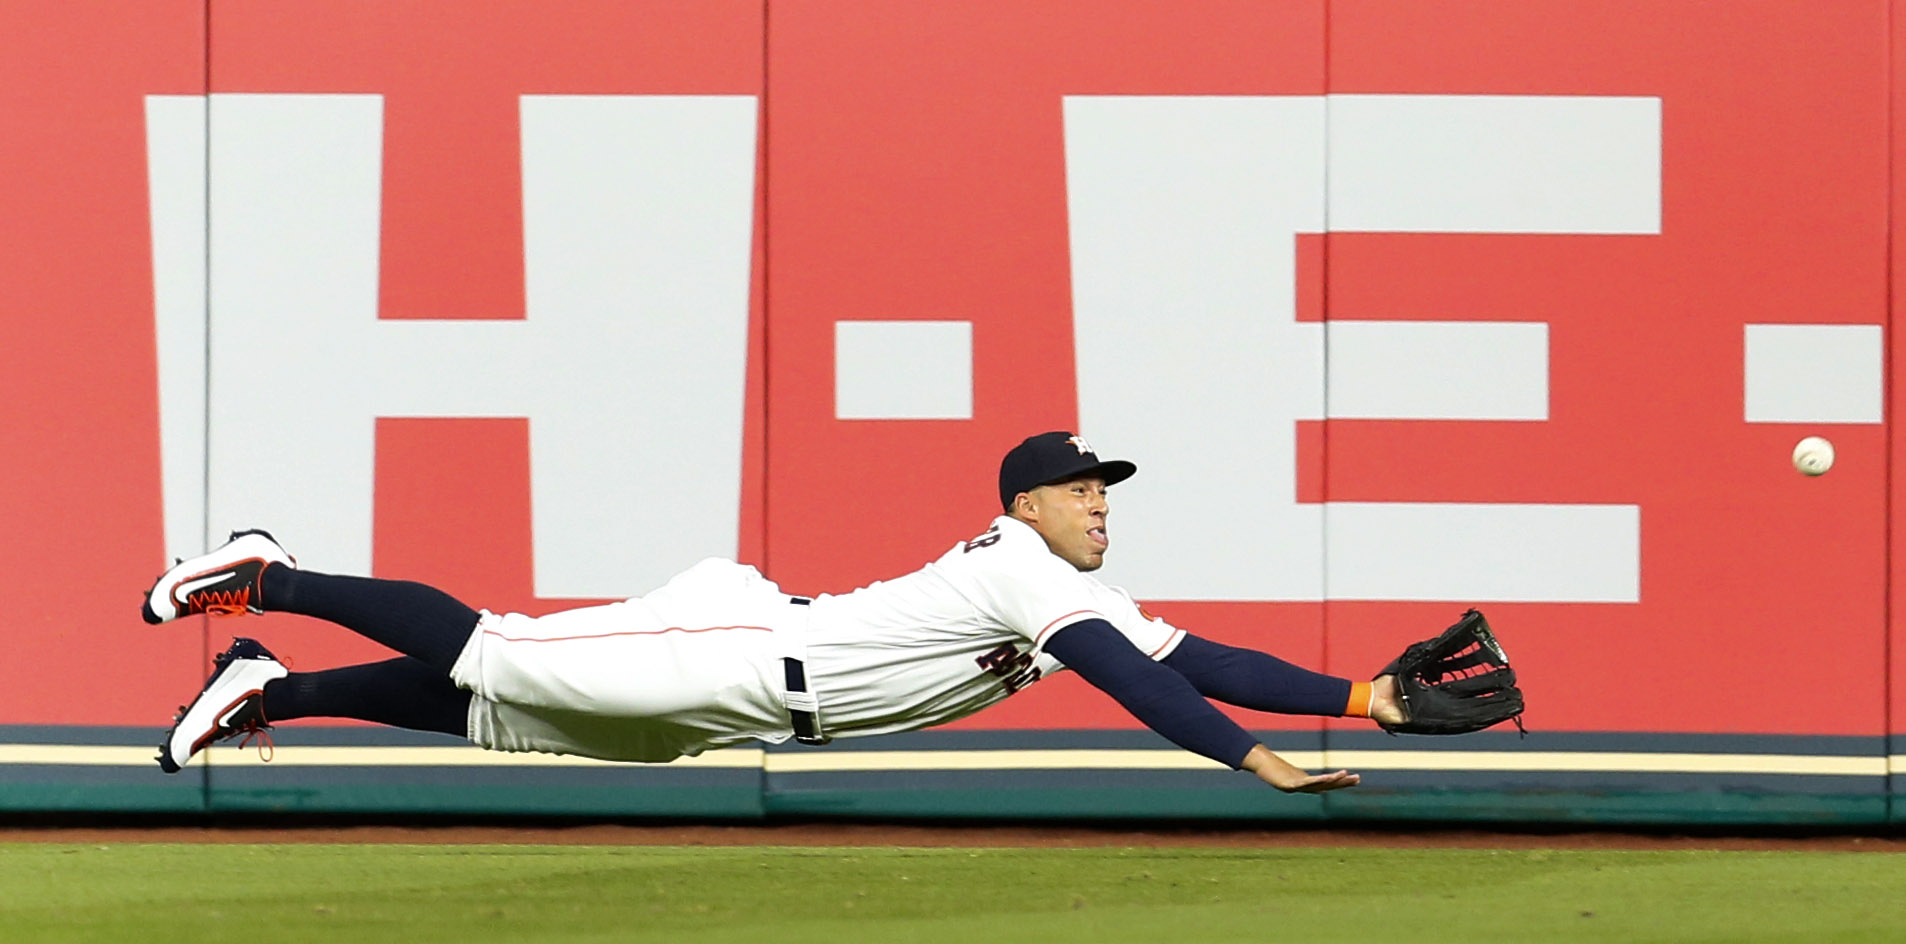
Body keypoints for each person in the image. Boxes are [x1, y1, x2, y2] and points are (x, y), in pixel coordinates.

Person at [146, 431, 1410, 793]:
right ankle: (271, 574)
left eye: (1105, 493)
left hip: (751, 712)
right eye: (1085, 490)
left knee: (499, 713)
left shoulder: (1076, 585)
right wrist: (1251, 758)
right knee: (499, 647)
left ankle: (273, 683)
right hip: (747, 648)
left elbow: (1196, 654)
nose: (1101, 508)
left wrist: (1364, 697)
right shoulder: (1028, 567)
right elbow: (1147, 689)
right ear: (1028, 500)